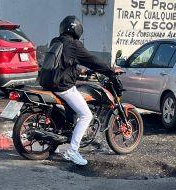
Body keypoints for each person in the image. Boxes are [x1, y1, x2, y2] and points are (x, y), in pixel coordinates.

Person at [40, 15, 121, 167]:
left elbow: (64, 63)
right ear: (77, 29)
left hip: (49, 82)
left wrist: (78, 71)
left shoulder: (56, 41)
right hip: (63, 86)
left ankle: (65, 132)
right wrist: (110, 71)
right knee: (86, 115)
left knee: (75, 107)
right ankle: (72, 150)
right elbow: (92, 60)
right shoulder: (74, 45)